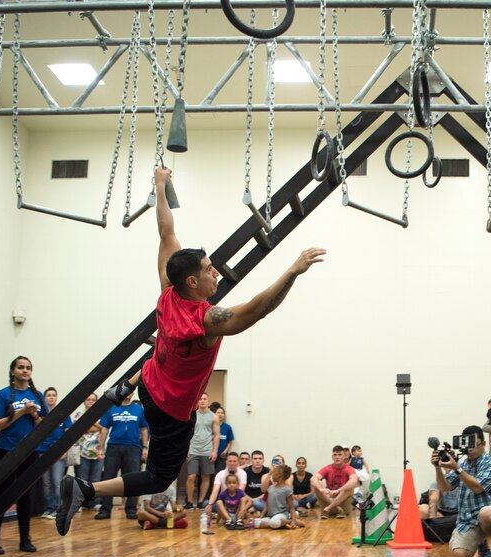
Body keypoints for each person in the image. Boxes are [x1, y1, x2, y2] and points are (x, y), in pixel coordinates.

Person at [56, 166, 326, 536]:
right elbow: (255, 310)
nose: (216, 274)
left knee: (157, 365)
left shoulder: (167, 291)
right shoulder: (205, 322)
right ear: (193, 281)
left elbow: (166, 231)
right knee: (158, 477)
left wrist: (160, 186)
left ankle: (126, 387)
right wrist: (292, 271)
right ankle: (84, 489)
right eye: (210, 270)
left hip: (149, 384)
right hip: (169, 409)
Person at [0, 356, 46, 555]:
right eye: (20, 367)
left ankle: (25, 539)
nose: (25, 371)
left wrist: (33, 414)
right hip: (6, 450)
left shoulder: (37, 395)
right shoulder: (2, 395)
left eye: (28, 367)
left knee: (25, 495)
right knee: (2, 495)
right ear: (13, 371)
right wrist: (21, 412)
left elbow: (44, 425)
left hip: (29, 451)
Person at [433, 425, 491, 557]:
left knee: (486, 513)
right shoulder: (463, 464)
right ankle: (482, 545)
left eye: (474, 444)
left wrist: (457, 468)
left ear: (484, 444)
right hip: (469, 520)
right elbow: (445, 487)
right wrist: (438, 467)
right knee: (459, 554)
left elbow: (478, 488)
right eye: (467, 445)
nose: (470, 449)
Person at [94, 390, 148, 520]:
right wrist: (101, 447)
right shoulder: (111, 408)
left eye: (131, 391)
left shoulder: (139, 410)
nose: (128, 393)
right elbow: (105, 429)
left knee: (133, 479)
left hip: (133, 447)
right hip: (114, 447)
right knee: (108, 478)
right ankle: (105, 509)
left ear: (133, 393)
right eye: (127, 391)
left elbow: (144, 429)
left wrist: (145, 447)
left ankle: (131, 509)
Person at [37, 387, 71, 520]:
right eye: (48, 395)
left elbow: (68, 434)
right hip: (42, 452)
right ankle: (49, 508)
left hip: (58, 453)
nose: (51, 397)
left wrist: (65, 450)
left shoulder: (63, 413)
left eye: (53, 395)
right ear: (44, 398)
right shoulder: (40, 415)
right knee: (46, 484)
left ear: (56, 398)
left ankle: (58, 509)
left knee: (57, 482)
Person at [183, 393, 216, 510]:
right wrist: (186, 448)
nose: (202, 401)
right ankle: (189, 502)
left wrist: (214, 451)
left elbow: (217, 435)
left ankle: (201, 501)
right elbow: (187, 433)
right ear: (197, 401)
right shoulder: (192, 415)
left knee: (205, 477)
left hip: (207, 451)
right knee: (191, 476)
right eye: (200, 399)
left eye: (205, 399)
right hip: (193, 450)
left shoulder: (213, 417)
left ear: (208, 401)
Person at [250, 464, 305, 530]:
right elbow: (267, 505)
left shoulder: (287, 490)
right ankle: (282, 524)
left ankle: (289, 521)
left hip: (282, 515)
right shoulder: (270, 488)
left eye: (274, 473)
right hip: (271, 516)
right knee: (253, 523)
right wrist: (261, 516)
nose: (272, 475)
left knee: (273, 522)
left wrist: (293, 520)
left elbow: (291, 507)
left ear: (280, 476)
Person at [311, 445, 360, 519]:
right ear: (332, 457)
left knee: (349, 487)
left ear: (344, 456)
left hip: (343, 506)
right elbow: (313, 479)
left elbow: (354, 481)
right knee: (318, 484)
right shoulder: (327, 468)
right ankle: (337, 508)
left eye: (340, 455)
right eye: (335, 455)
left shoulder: (349, 468)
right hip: (328, 502)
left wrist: (339, 490)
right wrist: (321, 489)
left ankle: (330, 508)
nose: (337, 457)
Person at [73, 393, 104, 508]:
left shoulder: (102, 415)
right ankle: (80, 503)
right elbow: (82, 428)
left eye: (93, 400)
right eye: (88, 399)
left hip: (98, 452)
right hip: (82, 452)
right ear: (84, 402)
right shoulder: (78, 415)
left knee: (95, 480)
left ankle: (94, 503)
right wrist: (98, 426)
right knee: (82, 479)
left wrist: (92, 423)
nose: (90, 401)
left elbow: (105, 428)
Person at [242, 450, 269, 516]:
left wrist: (254, 500)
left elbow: (268, 491)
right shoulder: (245, 471)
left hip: (261, 500)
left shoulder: (268, 471)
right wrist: (250, 500)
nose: (257, 461)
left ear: (263, 461)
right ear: (251, 461)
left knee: (257, 503)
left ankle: (252, 511)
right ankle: (252, 512)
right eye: (255, 459)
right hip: (247, 499)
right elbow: (241, 490)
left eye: (260, 459)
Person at [213, 405, 234, 476]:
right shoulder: (210, 426)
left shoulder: (227, 427)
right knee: (210, 475)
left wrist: (225, 451)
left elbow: (230, 441)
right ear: (215, 414)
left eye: (222, 413)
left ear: (224, 415)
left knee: (220, 474)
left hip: (222, 456)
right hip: (211, 454)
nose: (220, 414)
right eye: (218, 412)